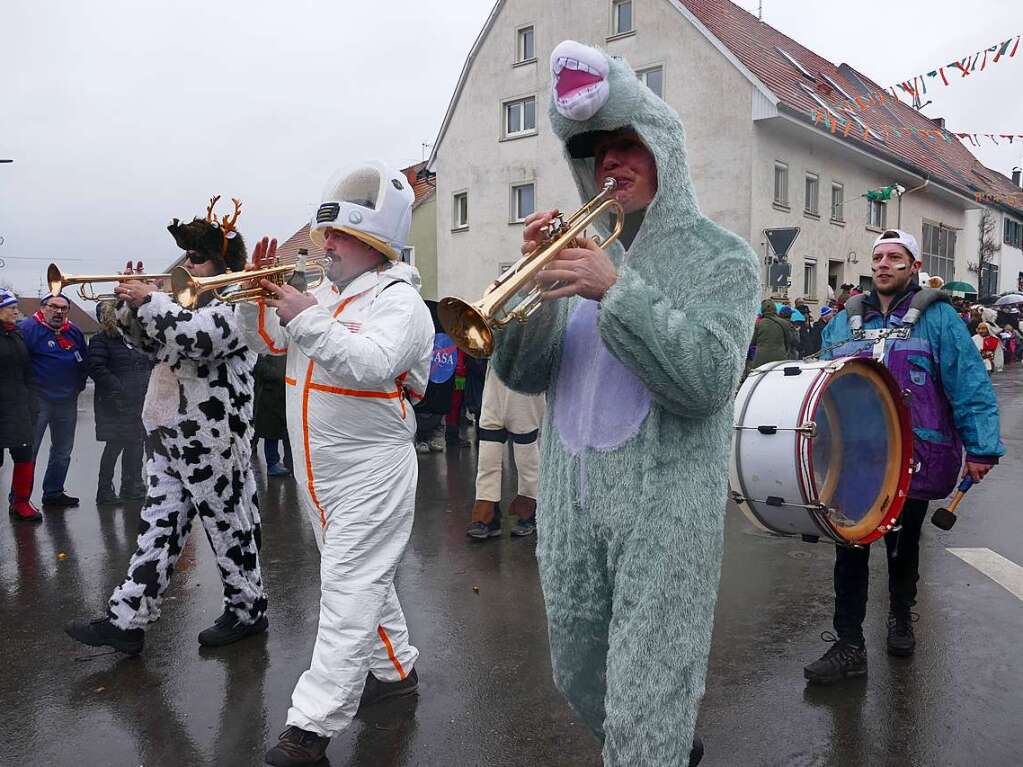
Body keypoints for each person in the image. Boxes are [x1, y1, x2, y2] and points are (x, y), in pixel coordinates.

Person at [492, 40, 759, 766]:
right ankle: (665, 742)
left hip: (663, 512)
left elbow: (706, 380)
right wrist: (529, 284)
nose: (611, 162)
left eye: (627, 146)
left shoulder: (721, 257)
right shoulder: (576, 251)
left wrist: (618, 290)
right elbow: (521, 373)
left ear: (660, 149)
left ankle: (657, 743)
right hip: (572, 507)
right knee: (580, 678)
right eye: (597, 150)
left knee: (646, 702)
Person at [238, 162, 433, 767]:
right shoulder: (326, 297)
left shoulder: (401, 303)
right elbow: (269, 343)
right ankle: (396, 673)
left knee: (347, 591)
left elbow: (371, 364)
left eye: (338, 238)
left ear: (374, 244)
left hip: (372, 472)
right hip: (320, 474)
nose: (326, 247)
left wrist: (307, 316)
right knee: (363, 581)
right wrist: (257, 297)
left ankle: (310, 727)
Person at [66, 199, 268, 655]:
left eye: (197, 258)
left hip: (216, 441)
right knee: (157, 527)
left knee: (229, 529)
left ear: (221, 263)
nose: (188, 265)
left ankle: (247, 610)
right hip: (172, 434)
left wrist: (152, 300)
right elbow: (151, 345)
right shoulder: (183, 304)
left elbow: (200, 341)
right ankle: (127, 620)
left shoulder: (239, 303)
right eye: (188, 258)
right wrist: (129, 309)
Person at [804, 229, 1003, 684]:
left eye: (895, 257)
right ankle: (849, 644)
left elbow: (967, 382)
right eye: (877, 258)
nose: (883, 265)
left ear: (913, 267)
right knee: (849, 546)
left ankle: (900, 615)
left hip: (913, 455)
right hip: (854, 457)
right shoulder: (844, 320)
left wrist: (982, 445)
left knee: (903, 543)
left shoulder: (940, 320)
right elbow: (817, 385)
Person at [18, 292, 88, 508]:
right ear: (43, 307)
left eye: (63, 308)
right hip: (38, 400)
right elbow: (19, 362)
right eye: (53, 307)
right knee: (31, 450)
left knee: (63, 451)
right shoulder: (28, 329)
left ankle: (54, 493)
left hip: (67, 400)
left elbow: (83, 361)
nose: (58, 312)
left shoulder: (74, 331)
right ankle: (20, 500)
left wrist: (79, 386)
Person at [465, 364, 545, 539]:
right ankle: (487, 514)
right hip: (495, 380)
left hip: (526, 382)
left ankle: (530, 512)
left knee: (527, 456)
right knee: (488, 454)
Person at [87, 301, 152, 504]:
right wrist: (119, 389)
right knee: (114, 446)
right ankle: (104, 490)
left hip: (138, 401)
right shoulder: (101, 340)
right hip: (114, 403)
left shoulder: (133, 339)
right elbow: (97, 368)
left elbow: (145, 363)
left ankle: (131, 485)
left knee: (135, 444)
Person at [1, 289, 42, 521]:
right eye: (10, 307)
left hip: (19, 407)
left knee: (24, 454)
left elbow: (28, 370)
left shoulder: (17, 335)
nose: (16, 311)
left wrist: (32, 399)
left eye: (15, 306)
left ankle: (21, 503)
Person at [253, 354, 293, 476]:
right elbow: (259, 367)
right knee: (271, 433)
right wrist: (278, 374)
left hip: (285, 395)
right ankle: (272, 463)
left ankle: (290, 463)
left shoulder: (287, 346)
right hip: (269, 398)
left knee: (289, 432)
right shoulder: (263, 349)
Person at [751, 300, 791, 368]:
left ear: (762, 310)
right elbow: (788, 341)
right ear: (775, 309)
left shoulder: (758, 323)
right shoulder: (784, 323)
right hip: (779, 357)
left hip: (761, 357)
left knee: (761, 376)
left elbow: (753, 341)